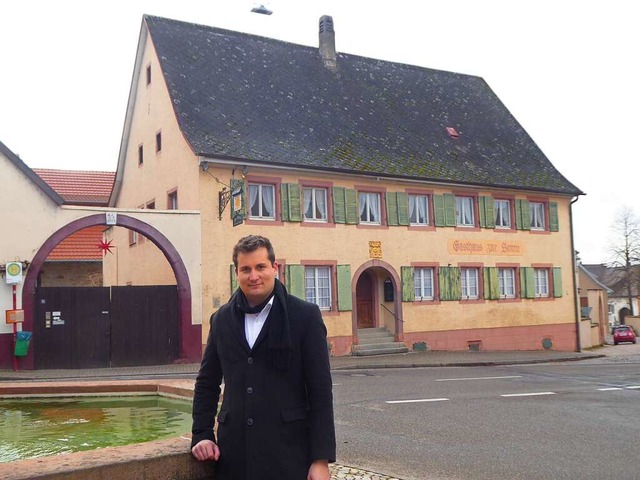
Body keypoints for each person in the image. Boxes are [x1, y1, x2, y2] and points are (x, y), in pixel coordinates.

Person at [191, 235, 336, 480]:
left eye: (260, 267)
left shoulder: (305, 316)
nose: (254, 276)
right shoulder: (221, 320)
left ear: (274, 268)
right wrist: (202, 434)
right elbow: (207, 383)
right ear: (236, 273)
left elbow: (320, 390)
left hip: (287, 453)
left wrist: (320, 459)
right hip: (234, 454)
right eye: (245, 269)